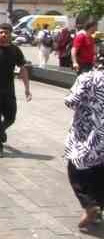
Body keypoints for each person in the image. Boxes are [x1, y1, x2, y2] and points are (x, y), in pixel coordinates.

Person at [0, 23, 32, 158]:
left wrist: (27, 89)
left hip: (9, 88)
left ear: (10, 34)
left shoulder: (15, 51)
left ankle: (1, 131)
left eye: (6, 33)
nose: (4, 35)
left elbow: (23, 69)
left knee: (11, 117)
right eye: (1, 32)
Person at [64, 58, 104, 230]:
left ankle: (89, 206)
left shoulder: (88, 78)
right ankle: (98, 208)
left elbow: (71, 101)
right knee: (99, 169)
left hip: (88, 133)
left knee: (75, 168)